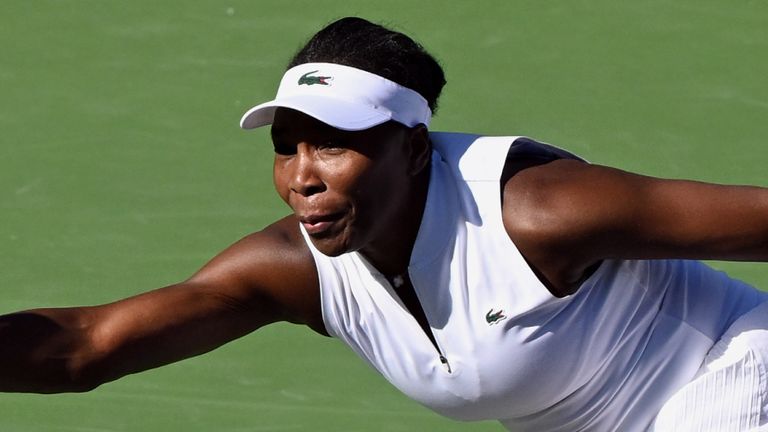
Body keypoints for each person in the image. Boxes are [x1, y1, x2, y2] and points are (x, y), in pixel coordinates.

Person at [2, 16, 768, 432]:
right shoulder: (296, 268)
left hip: (729, 379)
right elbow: (85, 349)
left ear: (410, 147)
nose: (303, 175)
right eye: (285, 148)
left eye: (333, 144)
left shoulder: (539, 210)